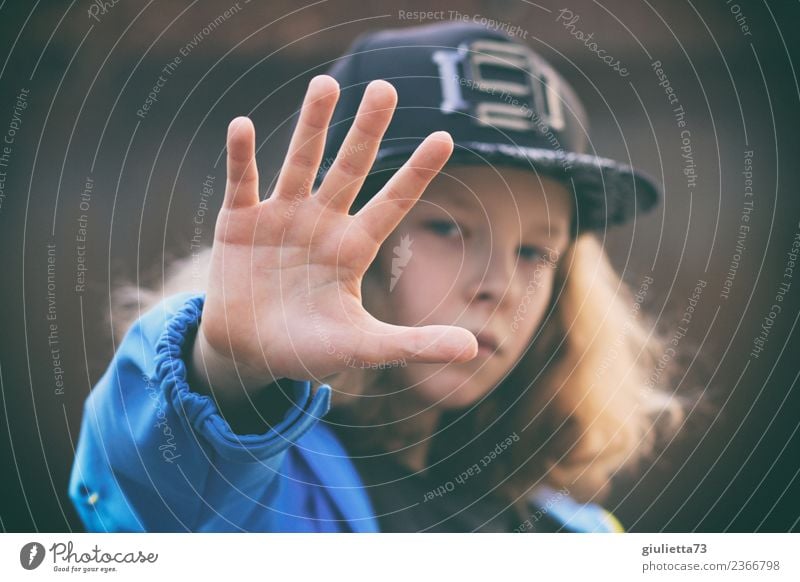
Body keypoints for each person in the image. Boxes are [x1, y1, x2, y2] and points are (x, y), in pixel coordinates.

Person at [69, 21, 684, 532]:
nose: (496, 283)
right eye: (447, 229)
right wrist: (227, 375)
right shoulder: (261, 495)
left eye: (534, 252)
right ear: (329, 238)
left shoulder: (579, 536)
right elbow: (151, 502)